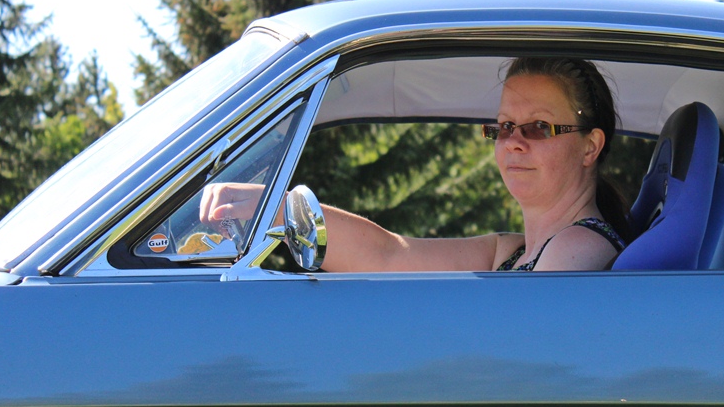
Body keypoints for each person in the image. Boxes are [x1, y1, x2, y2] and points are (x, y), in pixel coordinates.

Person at [199, 57, 629, 272]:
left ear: (589, 147)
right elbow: (388, 255)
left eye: (537, 127)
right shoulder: (513, 251)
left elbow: (512, 359)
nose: (513, 143)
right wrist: (281, 208)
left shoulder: (577, 247)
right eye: (503, 127)